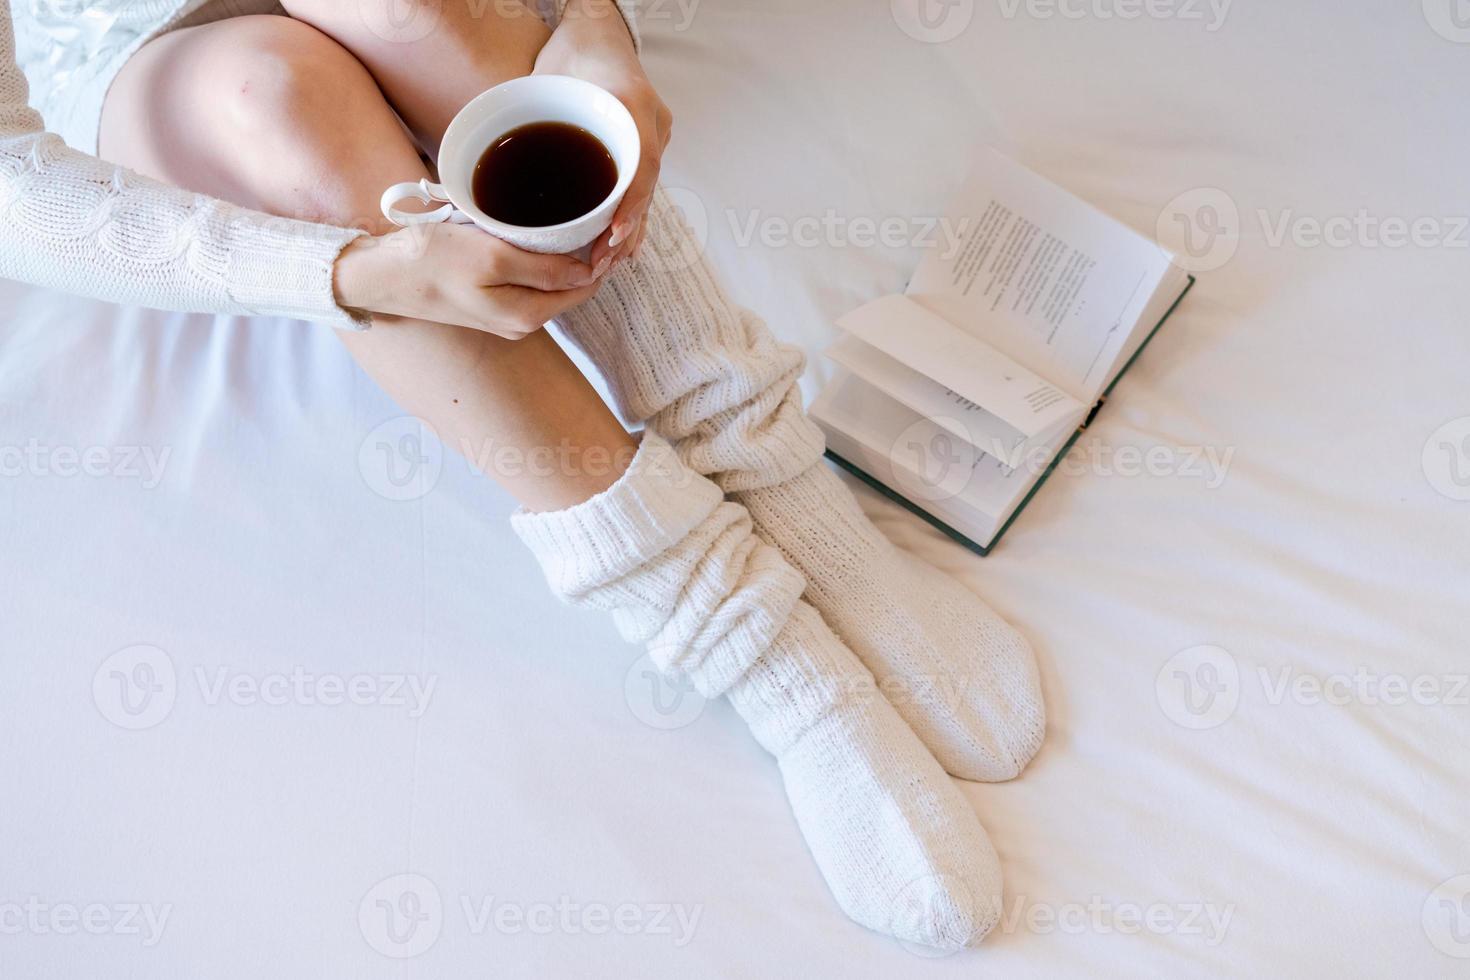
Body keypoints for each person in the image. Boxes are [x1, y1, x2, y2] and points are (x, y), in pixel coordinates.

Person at [2, 0, 1046, 949]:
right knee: (274, 96)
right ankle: (755, 641)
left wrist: (592, 24)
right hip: (142, 59)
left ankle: (779, 482)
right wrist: (343, 275)